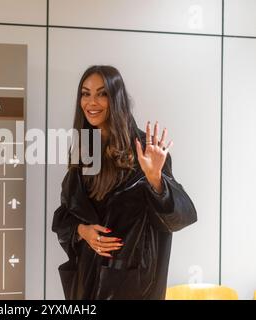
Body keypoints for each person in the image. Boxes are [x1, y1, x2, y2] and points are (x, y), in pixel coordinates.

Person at [52, 65, 197, 300]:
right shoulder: (83, 148)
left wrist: (155, 179)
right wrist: (82, 231)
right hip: (87, 279)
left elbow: (180, 217)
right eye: (85, 93)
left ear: (116, 98)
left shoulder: (145, 149)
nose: (92, 102)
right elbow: (65, 212)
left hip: (132, 284)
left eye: (102, 93)